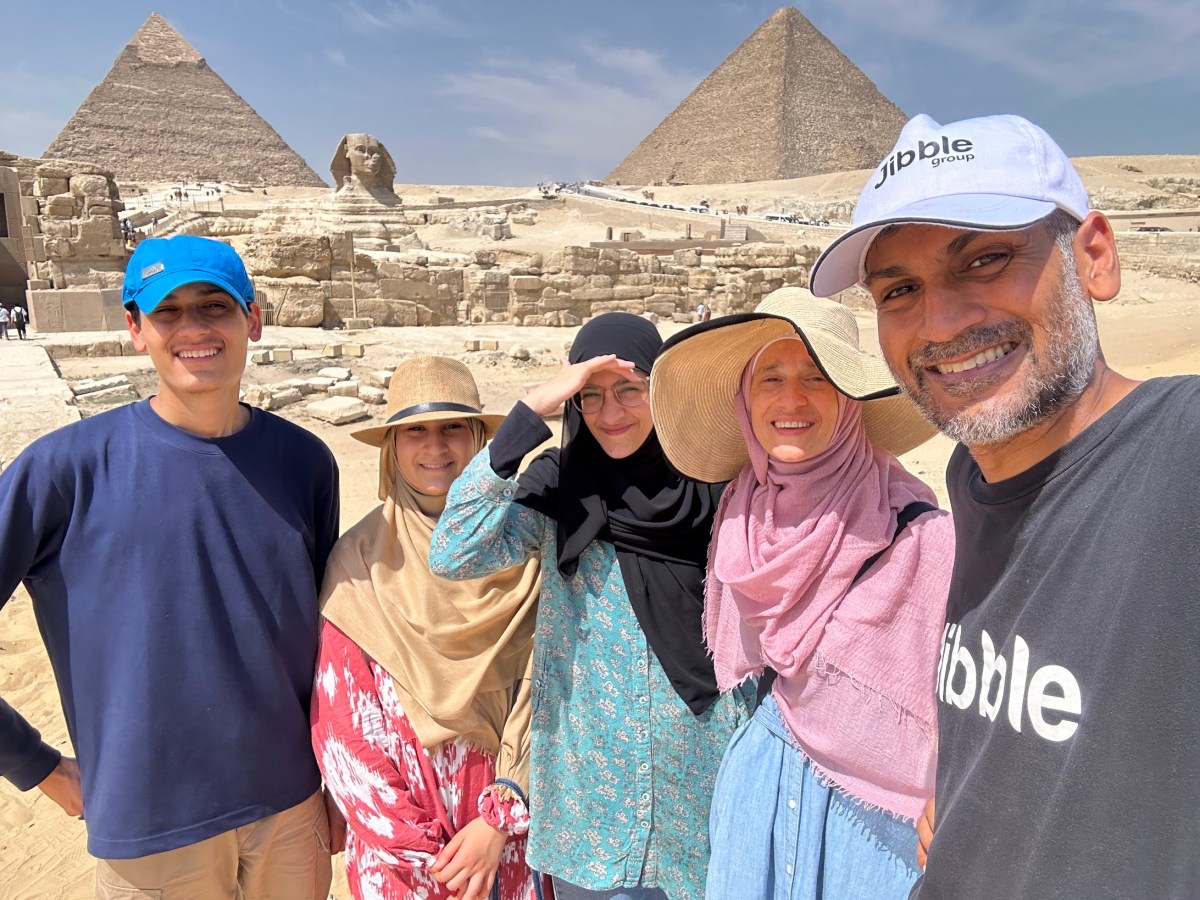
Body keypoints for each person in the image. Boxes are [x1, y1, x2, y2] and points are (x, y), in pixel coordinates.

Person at [808, 113, 1200, 899]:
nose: (942, 322)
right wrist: (970, 792)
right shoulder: (970, 478)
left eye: (985, 259)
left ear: (1095, 257)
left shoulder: (1180, 453)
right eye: (899, 291)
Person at [0, 235, 341, 898]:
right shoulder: (62, 471)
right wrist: (37, 766)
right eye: (168, 312)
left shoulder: (305, 463)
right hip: (153, 830)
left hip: (292, 813)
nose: (193, 329)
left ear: (254, 319)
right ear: (135, 329)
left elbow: (330, 639)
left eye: (214, 307)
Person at [430, 313, 755, 900]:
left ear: (661, 390)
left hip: (700, 795)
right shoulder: (561, 487)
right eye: (591, 397)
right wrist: (531, 413)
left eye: (630, 390)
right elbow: (454, 554)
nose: (610, 415)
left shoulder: (720, 483)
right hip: (592, 808)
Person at [650, 288, 955, 899]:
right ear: (745, 397)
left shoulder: (922, 532)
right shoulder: (744, 517)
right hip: (759, 798)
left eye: (817, 377)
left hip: (872, 824)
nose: (791, 400)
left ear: (851, 401)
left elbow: (956, 698)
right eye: (771, 377)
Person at [312, 356, 543, 900]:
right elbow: (342, 726)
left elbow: (551, 693)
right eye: (416, 430)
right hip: (402, 857)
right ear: (393, 447)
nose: (435, 448)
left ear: (481, 441)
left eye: (453, 429)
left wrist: (499, 822)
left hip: (513, 843)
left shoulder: (530, 549)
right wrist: (426, 859)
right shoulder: (360, 559)